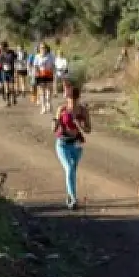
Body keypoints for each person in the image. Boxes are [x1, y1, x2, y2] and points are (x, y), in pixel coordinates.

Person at [54, 81, 92, 209]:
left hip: (77, 145)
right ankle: (74, 199)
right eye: (70, 98)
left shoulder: (83, 111)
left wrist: (79, 125)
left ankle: (70, 195)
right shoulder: (62, 110)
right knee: (69, 168)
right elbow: (54, 129)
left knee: (71, 171)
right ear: (67, 98)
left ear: (78, 97)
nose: (72, 101)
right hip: (62, 144)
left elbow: (88, 130)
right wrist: (57, 123)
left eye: (74, 98)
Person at [34, 45, 56, 114]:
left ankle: (48, 103)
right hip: (40, 74)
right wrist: (36, 74)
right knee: (42, 92)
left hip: (49, 74)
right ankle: (43, 107)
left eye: (44, 48)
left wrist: (53, 72)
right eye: (41, 48)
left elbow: (53, 65)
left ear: (46, 48)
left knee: (49, 90)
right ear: (39, 49)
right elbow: (35, 66)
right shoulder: (37, 56)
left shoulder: (50, 56)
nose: (42, 49)